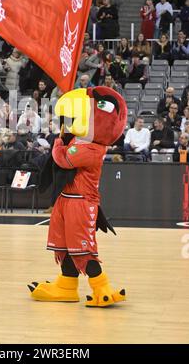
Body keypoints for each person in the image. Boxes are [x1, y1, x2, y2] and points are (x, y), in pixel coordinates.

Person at [29, 86, 128, 307]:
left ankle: (101, 287)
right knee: (63, 247)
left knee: (83, 249)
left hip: (81, 202)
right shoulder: (79, 141)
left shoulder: (93, 149)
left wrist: (58, 142)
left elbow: (63, 159)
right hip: (66, 199)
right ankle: (66, 286)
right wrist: (64, 139)